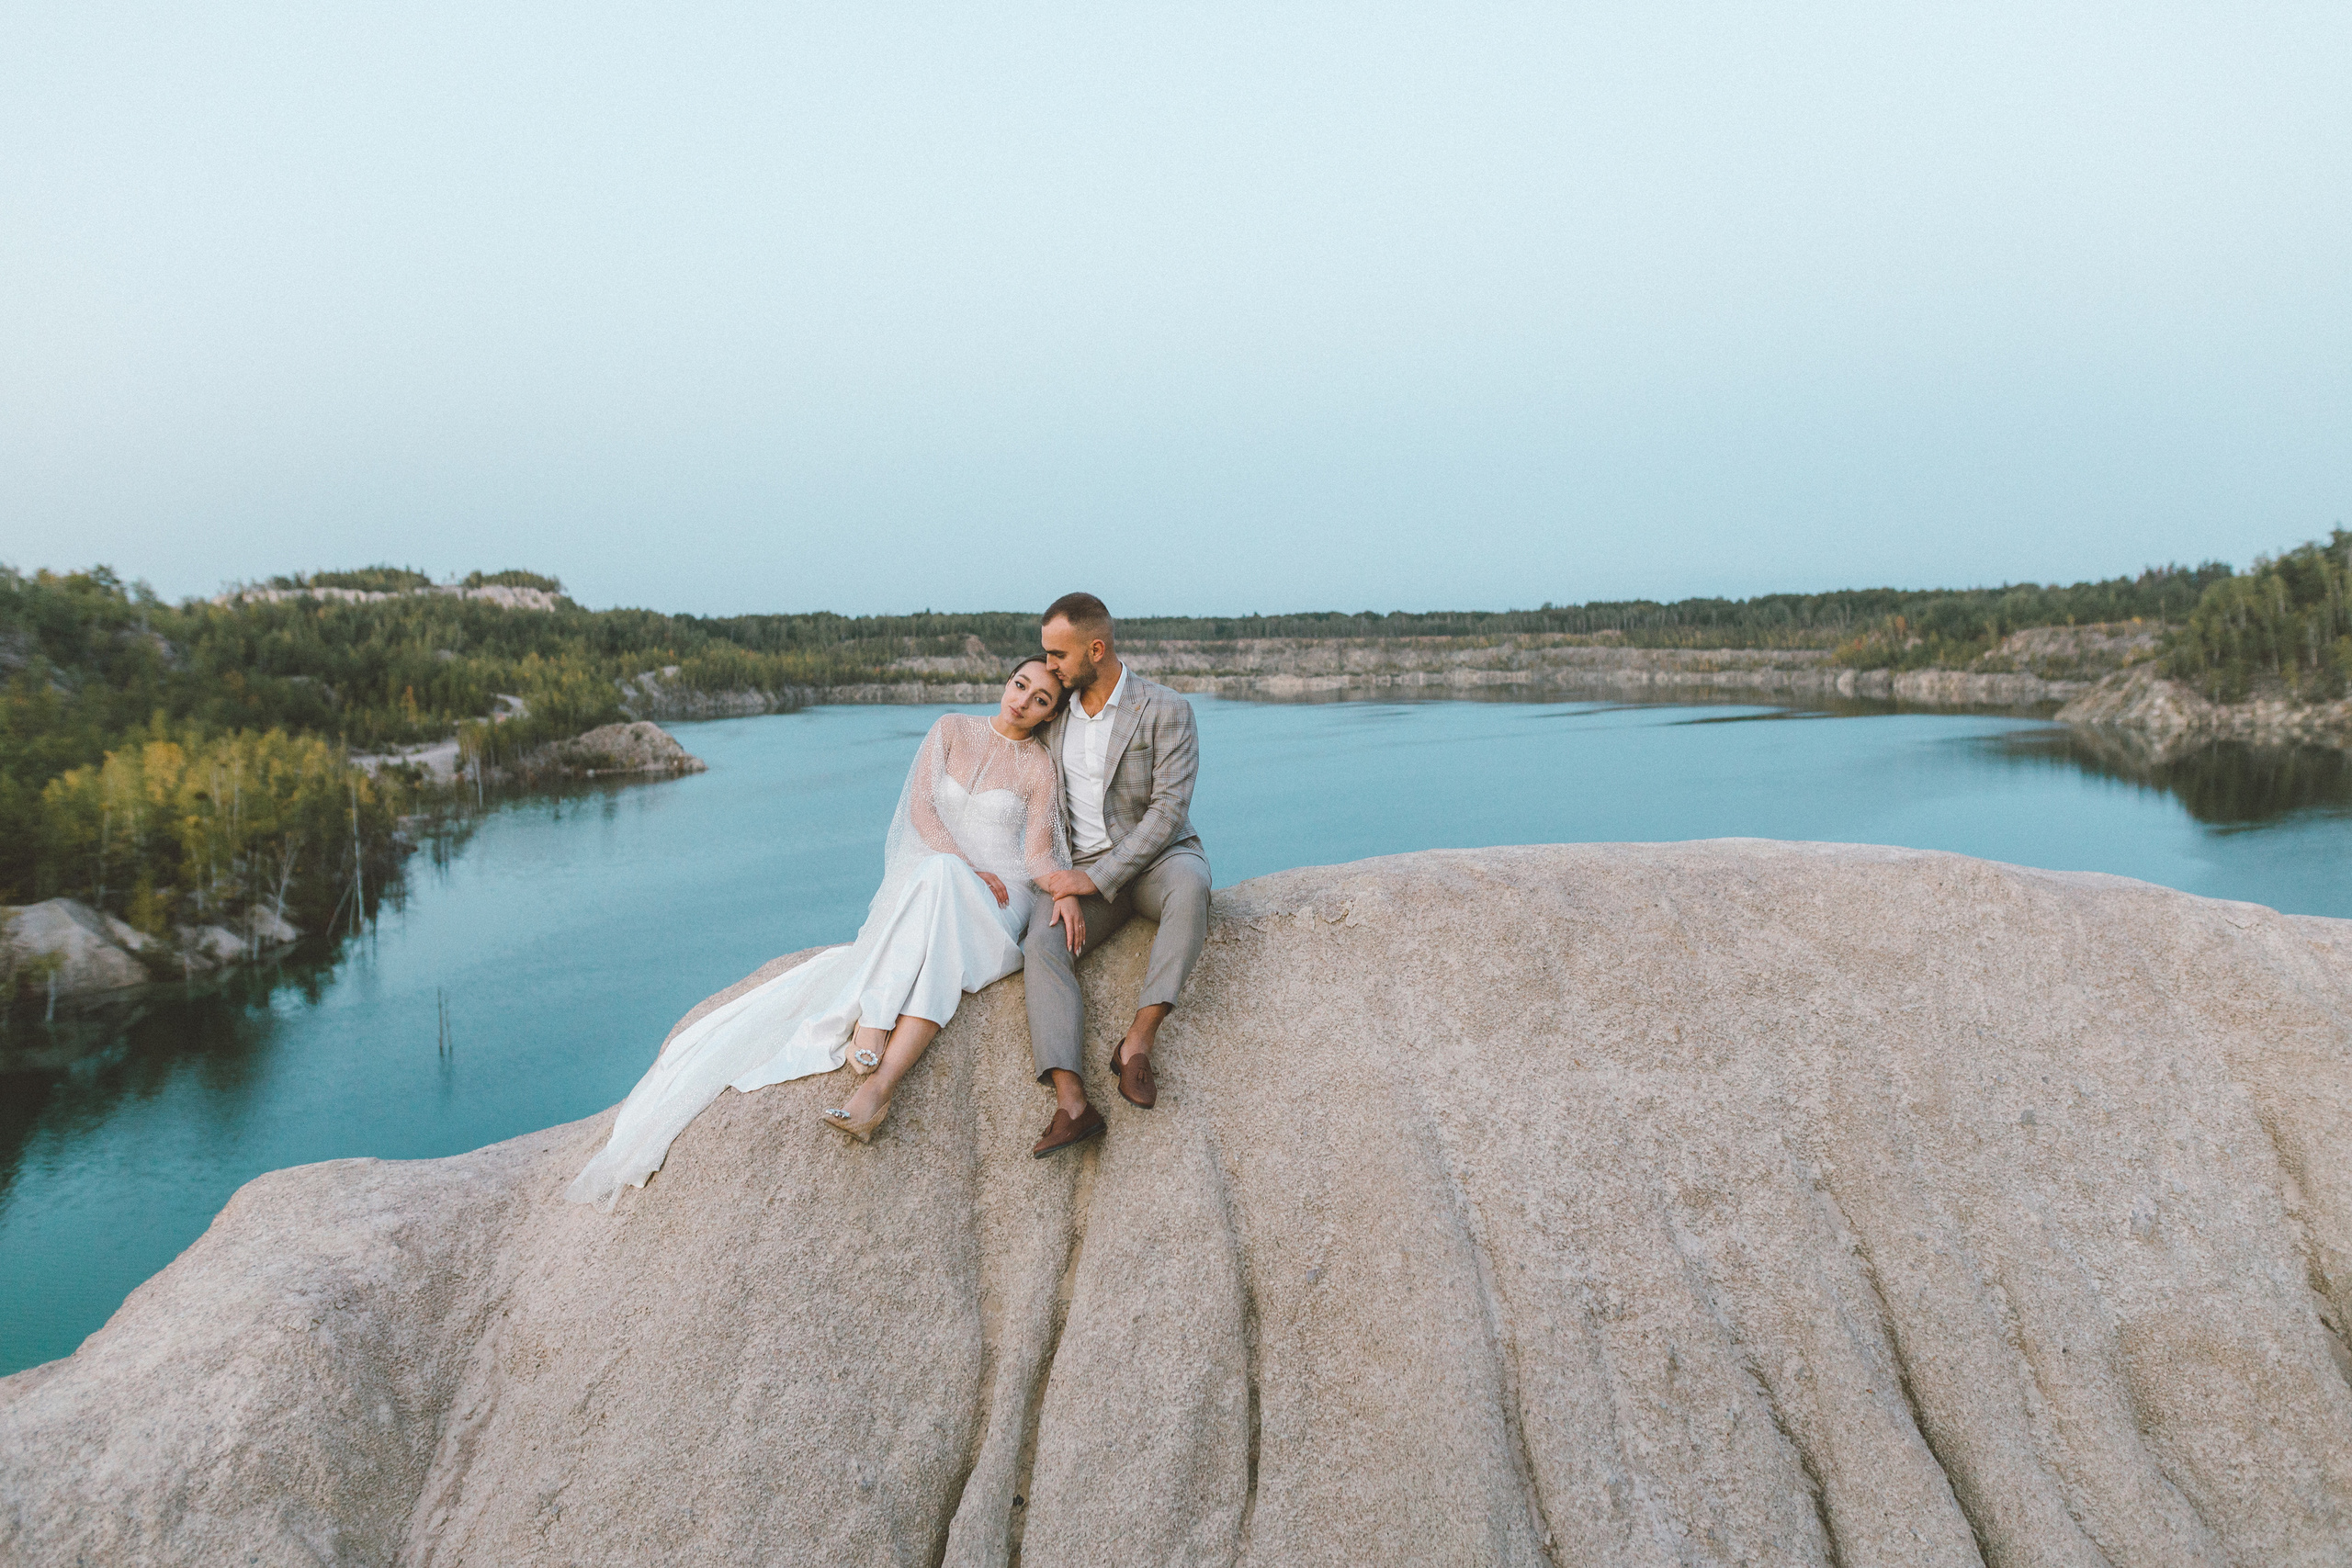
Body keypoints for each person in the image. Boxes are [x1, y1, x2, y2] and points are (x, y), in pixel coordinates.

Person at [564, 658, 1078, 1208]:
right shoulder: (951, 729)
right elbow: (922, 810)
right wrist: (964, 865)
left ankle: (874, 1032)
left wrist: (1067, 892)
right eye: (1020, 685)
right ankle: (878, 1090)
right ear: (1007, 683)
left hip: (999, 905)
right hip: (945, 884)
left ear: (1049, 715)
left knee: (944, 888)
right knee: (940, 910)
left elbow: (1037, 854)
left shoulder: (1038, 767)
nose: (1023, 700)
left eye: (1041, 699)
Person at [1022, 592, 1212, 1156]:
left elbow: (1166, 813)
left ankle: (1137, 1043)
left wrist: (1096, 878)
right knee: (1043, 943)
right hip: (1077, 869)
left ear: (1096, 649)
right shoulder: (1052, 716)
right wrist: (1063, 880)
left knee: (1193, 888)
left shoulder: (1167, 709)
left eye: (1057, 655)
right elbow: (1033, 804)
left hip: (1157, 862)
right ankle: (1072, 1101)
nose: (1048, 667)